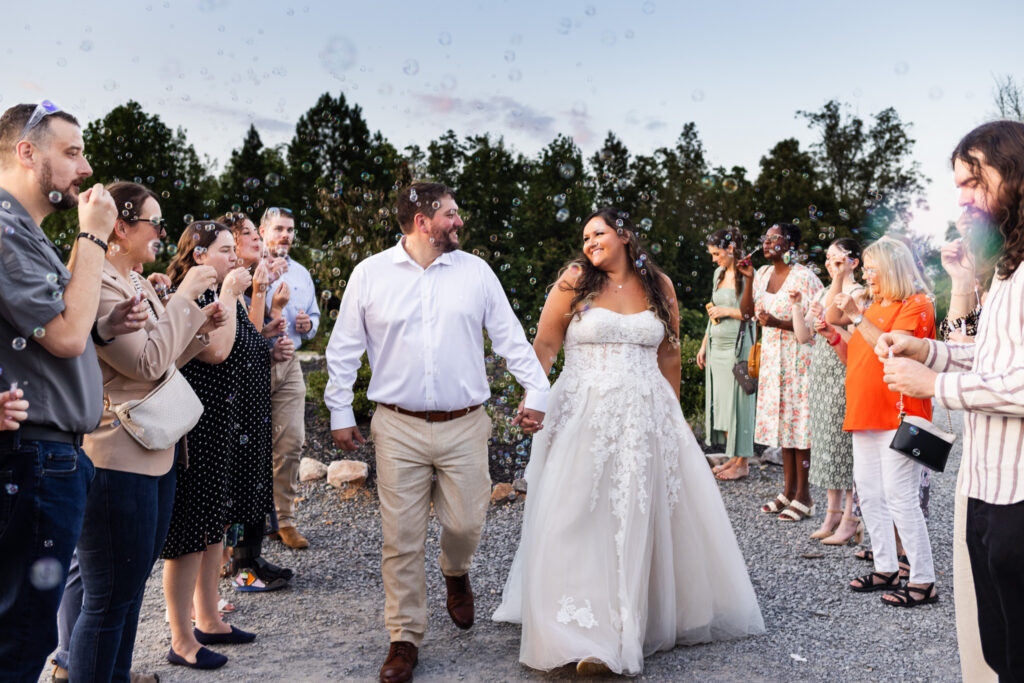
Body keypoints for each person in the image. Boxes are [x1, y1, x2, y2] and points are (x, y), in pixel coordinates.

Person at [493, 208, 764, 676]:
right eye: (585, 235)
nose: (589, 240)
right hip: (582, 412)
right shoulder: (575, 280)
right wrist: (534, 399)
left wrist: (675, 418)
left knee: (636, 514)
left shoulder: (660, 285)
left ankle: (627, 625)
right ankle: (576, 629)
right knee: (573, 513)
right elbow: (546, 344)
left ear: (624, 235)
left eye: (598, 231)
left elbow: (670, 354)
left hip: (647, 416)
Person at [325, 182, 549, 683]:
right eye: (450, 214)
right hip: (397, 425)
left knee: (467, 523)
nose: (459, 222)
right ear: (422, 222)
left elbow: (511, 338)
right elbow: (343, 348)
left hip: (465, 423)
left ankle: (455, 570)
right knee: (399, 537)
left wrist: (538, 391)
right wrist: (340, 409)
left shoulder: (476, 273)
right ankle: (404, 638)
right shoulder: (370, 274)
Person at [880, 120, 1024, 678]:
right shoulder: (1006, 273)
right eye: (958, 183)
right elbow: (993, 360)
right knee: (998, 652)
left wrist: (934, 387)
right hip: (986, 489)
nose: (961, 196)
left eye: (975, 180)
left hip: (1019, 496)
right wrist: (927, 351)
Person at [68, 182, 224, 681]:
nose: (163, 231)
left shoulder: (133, 280)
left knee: (130, 592)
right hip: (118, 460)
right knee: (108, 601)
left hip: (155, 453)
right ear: (120, 227)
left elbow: (164, 362)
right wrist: (184, 295)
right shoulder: (100, 283)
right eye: (155, 222)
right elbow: (145, 361)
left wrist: (197, 325)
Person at [0, 101, 129, 680]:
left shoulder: (27, 233)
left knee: (22, 635)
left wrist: (103, 325)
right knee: (19, 642)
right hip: (33, 457)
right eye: (71, 152)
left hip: (48, 455)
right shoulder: (5, 231)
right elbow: (65, 337)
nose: (84, 168)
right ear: (27, 153)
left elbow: (65, 328)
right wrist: (94, 235)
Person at [159, 221, 260, 670]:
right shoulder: (193, 296)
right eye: (225, 250)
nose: (234, 257)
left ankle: (209, 619)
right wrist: (233, 294)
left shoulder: (216, 293)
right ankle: (181, 639)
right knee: (189, 534)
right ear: (199, 256)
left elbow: (246, 343)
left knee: (212, 527)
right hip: (196, 429)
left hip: (223, 423)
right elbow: (216, 351)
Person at [829, 237, 938, 606]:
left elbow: (891, 349)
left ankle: (923, 579)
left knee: (899, 496)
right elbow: (830, 318)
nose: (868, 275)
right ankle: (886, 565)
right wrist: (842, 282)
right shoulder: (873, 304)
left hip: (900, 413)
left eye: (873, 268)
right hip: (864, 412)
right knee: (871, 494)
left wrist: (859, 316)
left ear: (891, 269)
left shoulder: (917, 304)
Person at [792, 238, 864, 545]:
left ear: (853, 263)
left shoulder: (858, 293)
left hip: (844, 373)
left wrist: (837, 281)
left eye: (836, 260)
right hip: (821, 375)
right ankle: (832, 513)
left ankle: (851, 518)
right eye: (828, 260)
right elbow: (803, 335)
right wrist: (797, 305)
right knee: (826, 444)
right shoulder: (824, 292)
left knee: (844, 446)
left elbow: (852, 335)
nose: (829, 265)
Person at [752, 223, 823, 520]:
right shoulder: (762, 274)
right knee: (783, 426)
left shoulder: (806, 278)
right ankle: (788, 490)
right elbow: (753, 312)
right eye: (765, 239)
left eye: (773, 239)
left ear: (790, 244)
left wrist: (778, 324)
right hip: (772, 359)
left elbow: (815, 327)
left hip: (798, 361)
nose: (767, 243)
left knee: (799, 426)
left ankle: (804, 495)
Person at [261, 207, 319, 550]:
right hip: (255, 365)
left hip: (290, 364)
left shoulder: (301, 273)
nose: (286, 235)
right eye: (279, 228)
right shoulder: (248, 266)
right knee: (250, 445)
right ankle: (245, 525)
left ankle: (284, 520)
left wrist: (309, 325)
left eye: (291, 230)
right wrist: (266, 276)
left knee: (291, 442)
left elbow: (312, 314)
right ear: (264, 230)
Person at [695, 228, 756, 480]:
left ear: (731, 249)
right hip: (717, 346)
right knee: (723, 404)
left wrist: (727, 312)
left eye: (717, 253)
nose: (714, 259)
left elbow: (751, 313)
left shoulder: (748, 275)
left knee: (739, 404)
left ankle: (743, 463)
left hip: (738, 346)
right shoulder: (718, 274)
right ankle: (733, 458)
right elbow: (712, 312)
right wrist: (703, 344)